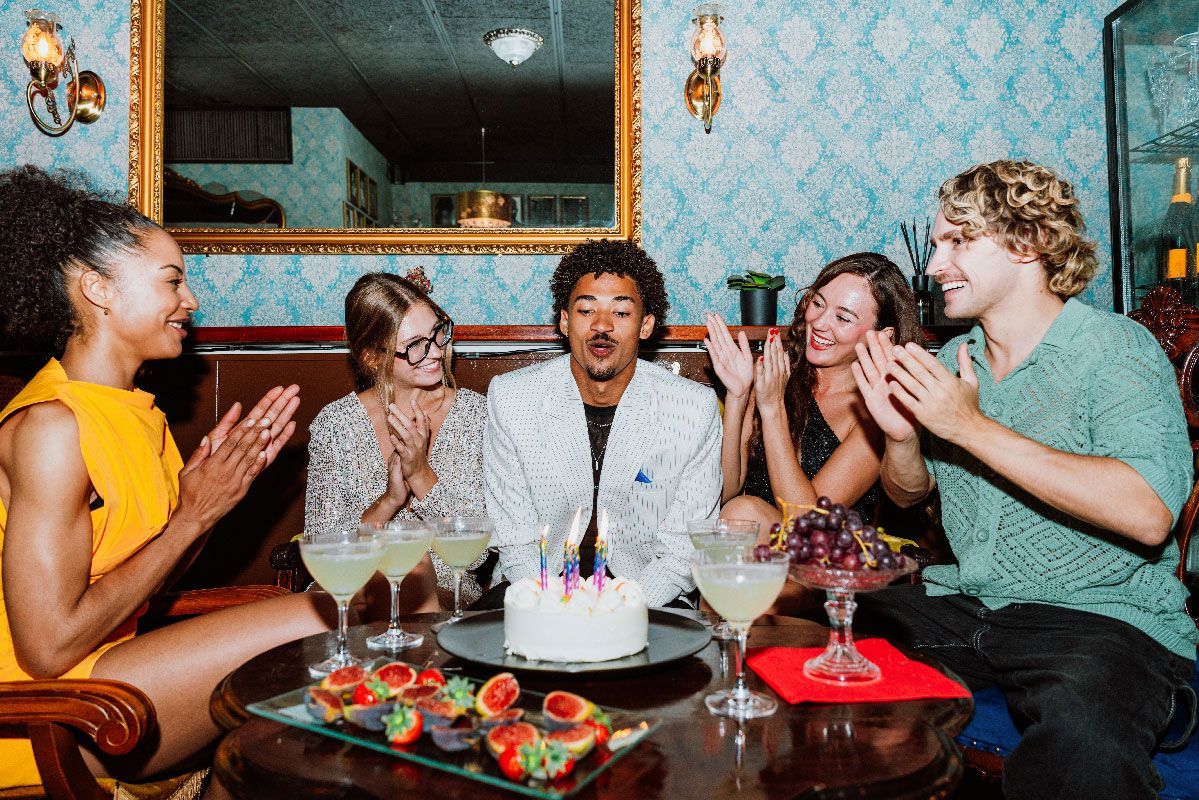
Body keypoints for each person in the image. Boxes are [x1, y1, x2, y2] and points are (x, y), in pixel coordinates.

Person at [852, 160, 1197, 800]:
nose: (935, 264)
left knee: (1081, 750)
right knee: (818, 644)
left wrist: (969, 427)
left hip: (1100, 618)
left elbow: (1149, 511)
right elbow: (909, 494)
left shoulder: (1114, 349)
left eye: (958, 240)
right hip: (971, 604)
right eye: (935, 244)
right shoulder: (950, 361)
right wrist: (899, 438)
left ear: (1028, 244)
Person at [0, 166, 332, 797]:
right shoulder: (52, 426)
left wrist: (211, 503)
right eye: (172, 281)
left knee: (292, 692)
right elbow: (47, 649)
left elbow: (148, 574)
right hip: (43, 710)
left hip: (105, 671)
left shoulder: (137, 412)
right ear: (98, 289)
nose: (191, 302)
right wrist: (193, 515)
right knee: (331, 616)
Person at [483, 239, 722, 608]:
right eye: (585, 310)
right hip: (533, 587)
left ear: (645, 326)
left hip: (649, 595)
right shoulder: (513, 399)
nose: (602, 325)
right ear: (565, 321)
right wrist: (552, 609)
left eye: (621, 313)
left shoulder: (691, 408)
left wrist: (619, 611)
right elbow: (515, 541)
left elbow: (681, 552)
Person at [305, 273, 490, 611]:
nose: (436, 351)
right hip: (350, 595)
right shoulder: (335, 425)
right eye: (416, 345)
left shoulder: (477, 415)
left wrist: (420, 474)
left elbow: (475, 553)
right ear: (373, 358)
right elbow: (325, 548)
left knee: (411, 572)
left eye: (438, 332)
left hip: (447, 595)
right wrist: (389, 500)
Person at [706, 253, 923, 533]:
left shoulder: (881, 413)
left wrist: (773, 410)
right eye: (818, 303)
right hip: (749, 552)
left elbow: (807, 523)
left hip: (826, 560)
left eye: (843, 318)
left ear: (884, 335)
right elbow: (722, 495)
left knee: (743, 512)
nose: (819, 322)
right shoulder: (778, 374)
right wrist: (738, 396)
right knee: (739, 512)